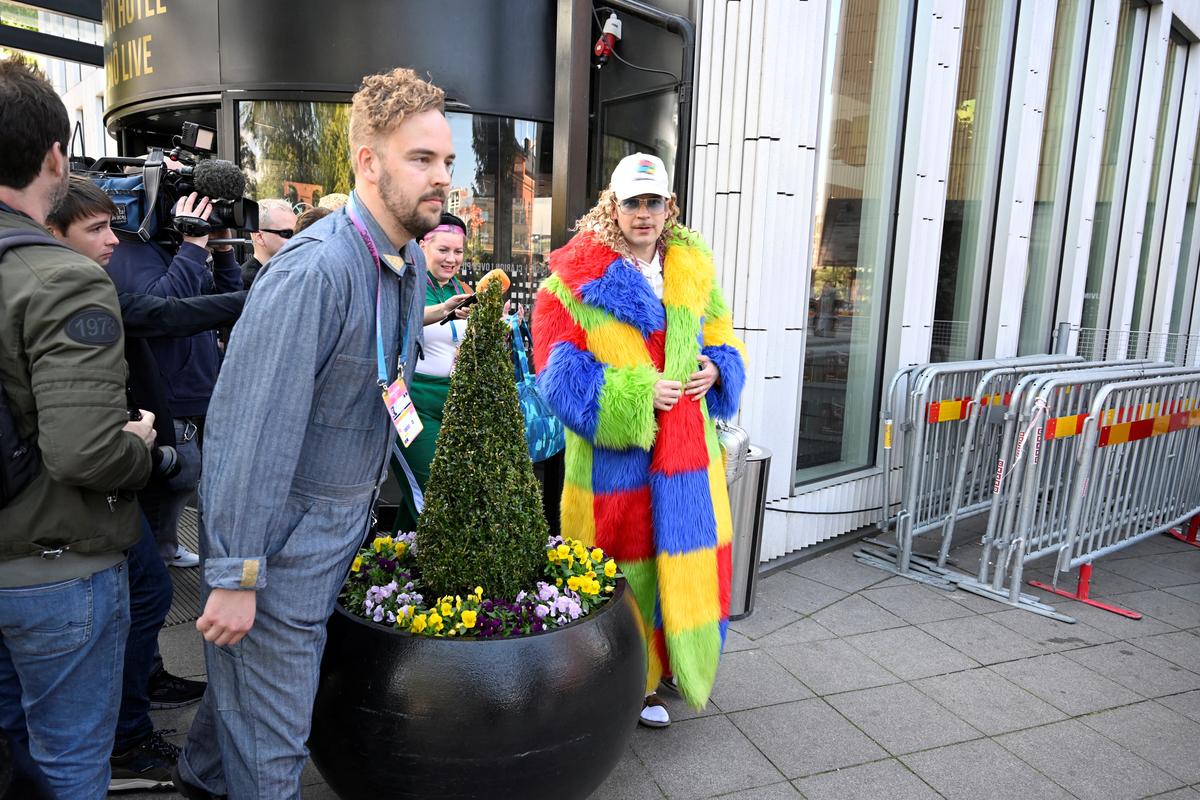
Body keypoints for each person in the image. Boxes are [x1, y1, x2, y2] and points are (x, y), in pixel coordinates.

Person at [174, 66, 453, 799]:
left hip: (337, 537)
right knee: (275, 758)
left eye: (447, 162)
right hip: (279, 556)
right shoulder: (315, 272)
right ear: (368, 162)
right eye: (422, 159)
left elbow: (384, 390)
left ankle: (200, 780)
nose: (442, 178)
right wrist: (236, 577)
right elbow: (245, 439)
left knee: (243, 711)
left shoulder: (408, 263)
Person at [46, 175, 250, 790]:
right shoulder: (73, 286)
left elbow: (187, 309)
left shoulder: (92, 277)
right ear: (54, 230)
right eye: (97, 228)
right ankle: (125, 735)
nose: (111, 238)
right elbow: (162, 314)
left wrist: (227, 263)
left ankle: (135, 703)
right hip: (83, 488)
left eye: (114, 225)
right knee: (144, 591)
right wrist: (139, 447)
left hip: (129, 459)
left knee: (149, 588)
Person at [532, 153, 747, 729]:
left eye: (655, 202)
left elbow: (725, 337)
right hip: (613, 471)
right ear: (613, 204)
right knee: (629, 574)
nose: (644, 214)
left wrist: (719, 369)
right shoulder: (571, 279)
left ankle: (680, 658)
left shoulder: (693, 268)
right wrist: (635, 396)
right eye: (633, 202)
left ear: (669, 206)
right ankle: (634, 684)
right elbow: (556, 374)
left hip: (688, 460)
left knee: (689, 564)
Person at [0, 57, 155, 797]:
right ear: (55, 157)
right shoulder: (58, 276)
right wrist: (144, 449)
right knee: (66, 769)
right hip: (52, 569)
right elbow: (87, 452)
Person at [107, 181, 244, 570]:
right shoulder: (131, 250)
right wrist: (191, 247)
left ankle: (164, 546)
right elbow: (166, 309)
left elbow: (220, 302)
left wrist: (223, 251)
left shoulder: (183, 247)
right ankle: (153, 552)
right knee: (177, 475)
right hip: (169, 390)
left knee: (188, 476)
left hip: (202, 384)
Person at [392, 212, 474, 530]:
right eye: (443, 250)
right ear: (422, 244)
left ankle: (395, 562)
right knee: (436, 488)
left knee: (427, 484)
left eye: (458, 251)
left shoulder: (462, 287)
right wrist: (444, 309)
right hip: (406, 400)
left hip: (451, 401)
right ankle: (438, 567)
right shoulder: (404, 282)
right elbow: (400, 318)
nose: (451, 259)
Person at [241, 198, 298, 288]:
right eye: (287, 233)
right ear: (259, 237)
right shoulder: (247, 283)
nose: (296, 239)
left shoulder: (293, 271)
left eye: (298, 232)